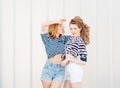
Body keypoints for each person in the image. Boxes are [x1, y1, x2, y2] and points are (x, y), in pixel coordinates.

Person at [61, 16, 90, 88]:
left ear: (80, 28)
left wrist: (69, 59)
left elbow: (84, 61)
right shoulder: (70, 39)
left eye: (75, 29)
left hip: (75, 69)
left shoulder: (80, 41)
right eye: (71, 29)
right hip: (68, 70)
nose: (73, 31)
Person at [40, 19, 71, 88]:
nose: (62, 27)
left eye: (62, 26)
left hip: (60, 69)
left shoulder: (65, 39)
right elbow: (43, 25)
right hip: (48, 69)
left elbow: (78, 38)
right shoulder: (47, 38)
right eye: (60, 26)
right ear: (55, 27)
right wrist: (57, 21)